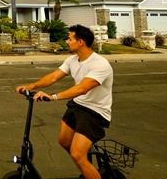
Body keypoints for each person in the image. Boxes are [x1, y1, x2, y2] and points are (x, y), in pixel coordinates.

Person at [15, 24, 113, 179]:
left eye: (69, 38)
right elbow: (54, 76)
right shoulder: (72, 60)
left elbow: (82, 88)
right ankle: (87, 168)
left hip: (95, 112)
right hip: (78, 105)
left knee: (77, 154)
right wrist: (31, 86)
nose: (66, 41)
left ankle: (85, 164)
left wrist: (53, 96)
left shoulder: (99, 64)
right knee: (65, 142)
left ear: (80, 42)